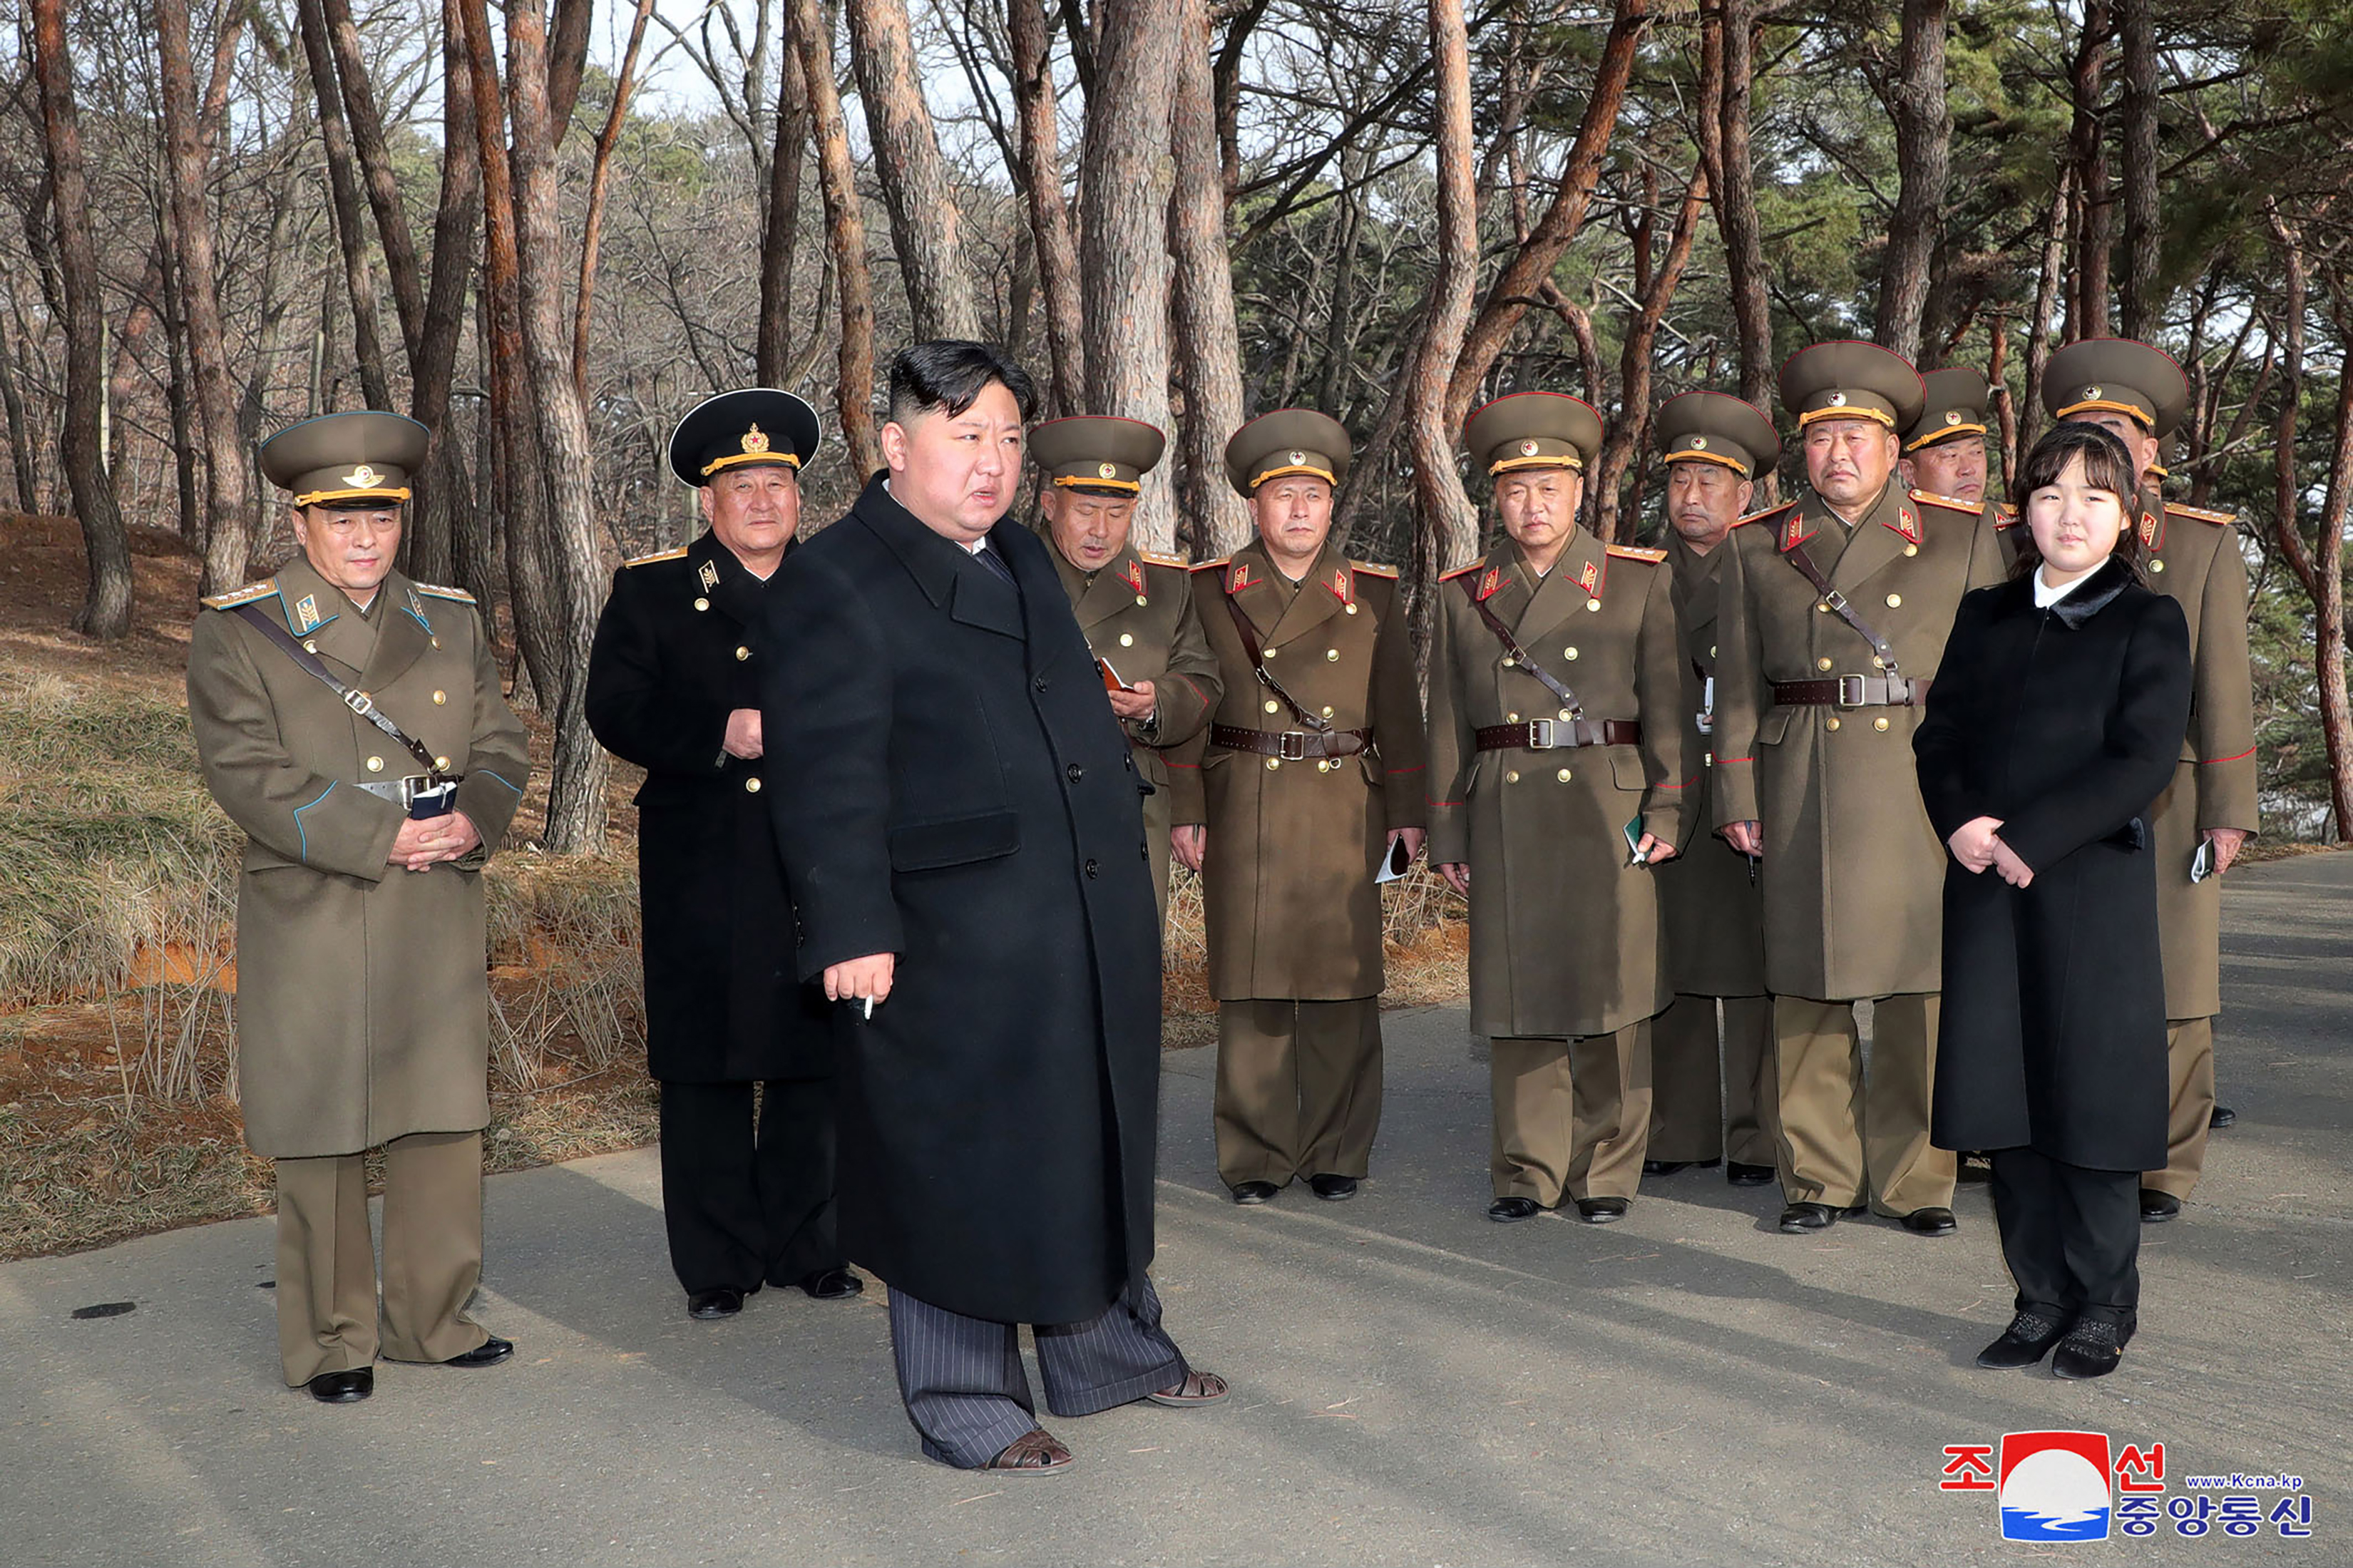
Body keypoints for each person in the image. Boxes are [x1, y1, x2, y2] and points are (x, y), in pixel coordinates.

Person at [759, 341, 1223, 1474]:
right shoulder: (838, 577)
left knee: (1085, 1133)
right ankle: (966, 1396)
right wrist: (851, 928)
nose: (994, 462)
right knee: (954, 1159)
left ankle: (1106, 1348)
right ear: (896, 446)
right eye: (966, 436)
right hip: (945, 930)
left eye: (1010, 439)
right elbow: (825, 775)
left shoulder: (1016, 551)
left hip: (1076, 912)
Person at [187, 411, 530, 1403]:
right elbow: (246, 772)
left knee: (441, 1113)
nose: (365, 537)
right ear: (300, 524)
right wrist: (381, 835)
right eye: (341, 519)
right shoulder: (240, 628)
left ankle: (433, 1317)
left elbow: (500, 743)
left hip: (435, 899)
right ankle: (334, 1339)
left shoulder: (449, 619)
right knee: (322, 1121)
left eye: (381, 516)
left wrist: (473, 818)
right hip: (318, 904)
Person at [1711, 342, 2009, 1236]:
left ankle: (1917, 1181)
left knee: (1922, 989)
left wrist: (1993, 797)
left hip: (1924, 777)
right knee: (1808, 983)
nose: (1837, 454)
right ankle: (1819, 1178)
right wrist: (1737, 796)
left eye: (1856, 437)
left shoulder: (1961, 536)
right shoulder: (1755, 545)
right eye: (1820, 438)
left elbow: (1998, 685)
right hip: (1802, 774)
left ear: (1892, 449)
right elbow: (1736, 687)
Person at [1916, 422, 2191, 1378]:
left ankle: (2104, 1305)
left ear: (2127, 516)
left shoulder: (2147, 619)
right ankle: (2039, 1298)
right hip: (1987, 890)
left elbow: (2144, 757)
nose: (2070, 514)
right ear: (2022, 513)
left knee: (2090, 1101)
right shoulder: (1985, 614)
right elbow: (1940, 735)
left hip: (2088, 891)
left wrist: (2030, 839)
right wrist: (1960, 821)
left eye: (2093, 496)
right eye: (2049, 494)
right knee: (2007, 1098)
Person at [585, 387, 860, 1322]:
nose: (762, 500)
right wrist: (718, 731)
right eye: (742, 486)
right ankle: (716, 1261)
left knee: (813, 1056)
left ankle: (812, 1243)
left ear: (799, 494)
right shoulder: (655, 589)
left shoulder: (839, 587)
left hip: (814, 852)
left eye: (777, 483)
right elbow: (614, 707)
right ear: (709, 499)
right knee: (706, 1059)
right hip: (702, 858)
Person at [1425, 392, 1688, 1224]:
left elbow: (1669, 711)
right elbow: (1447, 726)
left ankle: (1606, 1167)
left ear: (1579, 491)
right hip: (1509, 808)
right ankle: (1528, 1170)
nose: (1532, 506)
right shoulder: (1465, 595)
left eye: (1549, 488)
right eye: (1516, 490)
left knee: (1615, 988)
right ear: (1496, 499)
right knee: (1521, 991)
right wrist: (1448, 831)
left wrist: (1669, 810)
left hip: (1609, 807)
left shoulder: (1637, 580)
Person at [1171, 409, 1428, 1205]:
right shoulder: (1208, 590)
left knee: (1341, 982)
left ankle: (1336, 1150)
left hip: (1345, 803)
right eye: (1282, 495)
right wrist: (1186, 805)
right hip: (1244, 798)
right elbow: (1190, 707)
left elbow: (1400, 715)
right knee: (1251, 983)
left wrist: (1408, 811)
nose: (1298, 510)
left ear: (1331, 505)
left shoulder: (1373, 595)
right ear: (1255, 505)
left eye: (1312, 496)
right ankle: (1254, 1154)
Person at [2039, 339, 2257, 1223]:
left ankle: (2165, 1165)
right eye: (2083, 429)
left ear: (2151, 451)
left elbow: (2226, 688)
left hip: (2170, 796)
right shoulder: (2031, 536)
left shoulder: (2200, 544)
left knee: (2177, 984)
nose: (2101, 445)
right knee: (2072, 974)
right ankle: (2080, 1145)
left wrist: (2229, 810)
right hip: (2056, 795)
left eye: (2118, 432)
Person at [1643, 391, 1781, 1190]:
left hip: (1752, 783)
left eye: (1710, 482)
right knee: (1675, 955)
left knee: (1759, 965)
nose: (1690, 497)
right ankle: (1681, 1126)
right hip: (1669, 785)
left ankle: (1758, 1135)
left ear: (1745, 493)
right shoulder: (1639, 576)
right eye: (1679, 480)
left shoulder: (1771, 565)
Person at [1027, 415, 1222, 924]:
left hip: (1132, 801)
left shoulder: (1164, 586)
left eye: (1116, 513)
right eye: (1085, 510)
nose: (1101, 530)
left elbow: (1202, 680)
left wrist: (1156, 704)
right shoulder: (1009, 575)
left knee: (1129, 947)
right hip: (1033, 796)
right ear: (1050, 505)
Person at [1899, 368, 1994, 508]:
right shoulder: (1894, 522)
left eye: (1976, 452)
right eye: (1950, 455)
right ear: (1909, 472)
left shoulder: (2012, 521)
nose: (1968, 469)